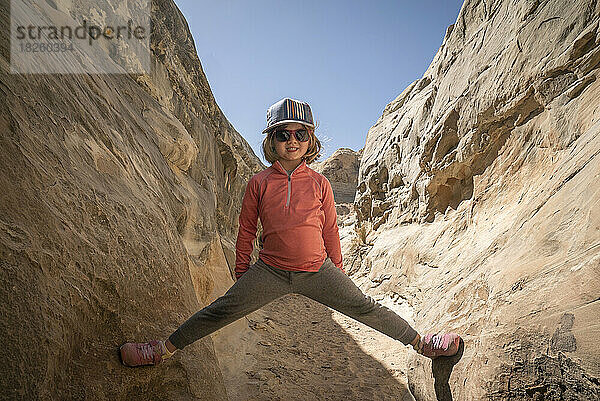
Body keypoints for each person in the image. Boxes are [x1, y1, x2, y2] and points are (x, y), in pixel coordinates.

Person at [120, 97, 461, 367]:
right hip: (270, 271)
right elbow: (246, 230)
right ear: (272, 142)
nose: (292, 141)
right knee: (221, 310)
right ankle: (161, 350)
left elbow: (330, 229)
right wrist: (242, 273)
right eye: (283, 134)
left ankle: (421, 343)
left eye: (300, 134)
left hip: (317, 270)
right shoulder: (259, 183)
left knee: (365, 307)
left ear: (310, 140)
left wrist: (336, 272)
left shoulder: (319, 183)